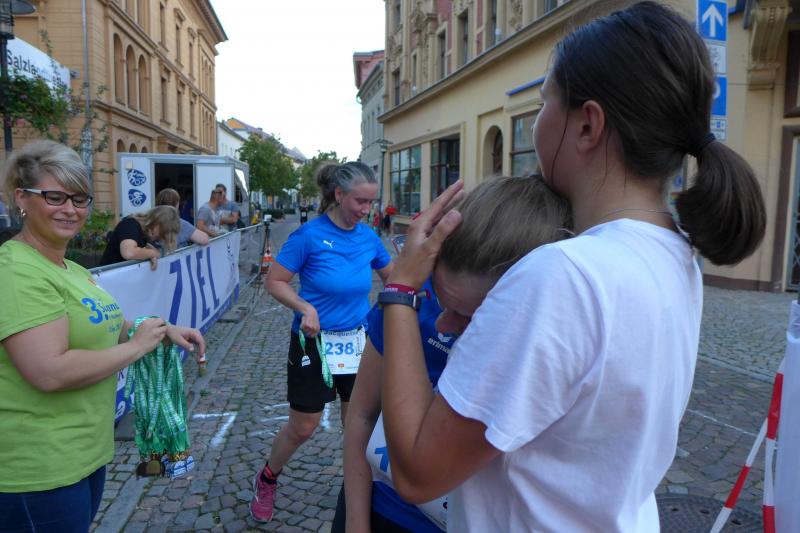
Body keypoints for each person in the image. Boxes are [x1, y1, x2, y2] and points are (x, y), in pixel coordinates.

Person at [379, 3, 767, 531]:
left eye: (544, 104)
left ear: (587, 125)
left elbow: (417, 473)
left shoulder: (563, 276)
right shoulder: (676, 256)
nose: (536, 123)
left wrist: (402, 290)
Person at [336, 176, 571, 533]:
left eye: (467, 316)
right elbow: (362, 414)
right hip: (382, 507)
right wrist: (356, 523)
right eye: (442, 300)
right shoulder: (410, 300)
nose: (443, 323)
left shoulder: (550, 341)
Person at [0, 140, 205, 531]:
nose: (70, 209)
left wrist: (162, 330)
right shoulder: (16, 271)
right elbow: (48, 371)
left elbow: (110, 323)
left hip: (85, 453)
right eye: (55, 197)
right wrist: (136, 348)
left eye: (80, 199)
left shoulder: (71, 269)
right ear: (22, 198)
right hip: (39, 468)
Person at [250, 161, 394, 523]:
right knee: (304, 426)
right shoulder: (309, 236)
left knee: (358, 422)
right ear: (339, 194)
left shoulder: (368, 237)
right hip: (313, 343)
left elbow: (394, 279)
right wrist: (305, 307)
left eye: (371, 202)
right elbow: (275, 281)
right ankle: (267, 478)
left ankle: (358, 490)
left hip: (357, 343)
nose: (366, 210)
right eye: (360, 201)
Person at [99, 205, 180, 270]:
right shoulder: (130, 225)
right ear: (157, 222)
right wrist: (153, 253)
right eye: (162, 232)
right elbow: (129, 253)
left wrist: (151, 253)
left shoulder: (143, 231)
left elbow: (140, 244)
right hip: (107, 279)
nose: (160, 237)